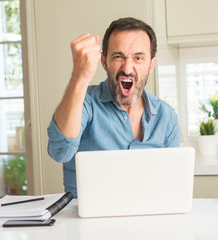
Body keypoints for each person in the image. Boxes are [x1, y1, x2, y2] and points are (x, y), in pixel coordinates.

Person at [47, 17, 180, 197]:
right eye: (118, 57)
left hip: (146, 218)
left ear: (151, 65)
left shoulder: (166, 116)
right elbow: (59, 152)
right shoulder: (85, 103)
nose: (127, 68)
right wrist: (79, 76)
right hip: (86, 220)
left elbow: (172, 183)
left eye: (138, 58)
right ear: (104, 61)